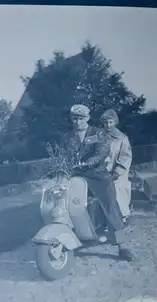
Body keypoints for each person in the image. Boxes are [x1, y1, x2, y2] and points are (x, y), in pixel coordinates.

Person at [60, 104, 134, 262]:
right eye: (75, 118)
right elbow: (63, 156)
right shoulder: (67, 137)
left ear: (87, 118)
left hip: (97, 175)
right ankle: (71, 234)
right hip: (74, 174)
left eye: (81, 118)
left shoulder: (98, 133)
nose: (78, 121)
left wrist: (88, 163)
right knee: (62, 201)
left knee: (110, 205)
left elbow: (102, 151)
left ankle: (123, 246)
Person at [100, 109, 133, 223]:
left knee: (118, 189)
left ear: (115, 122)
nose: (108, 125)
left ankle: (123, 216)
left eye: (111, 122)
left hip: (117, 173)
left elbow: (125, 157)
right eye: (105, 123)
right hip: (101, 171)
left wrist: (117, 172)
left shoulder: (122, 138)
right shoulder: (99, 136)